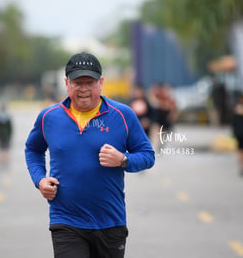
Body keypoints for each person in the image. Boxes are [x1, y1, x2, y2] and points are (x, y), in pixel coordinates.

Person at [25, 52, 155, 258]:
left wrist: (123, 160)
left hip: (110, 222)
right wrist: (40, 179)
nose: (84, 89)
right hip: (66, 221)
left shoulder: (122, 115)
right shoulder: (48, 117)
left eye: (90, 82)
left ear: (101, 82)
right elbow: (33, 149)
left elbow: (148, 156)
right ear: (66, 83)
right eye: (78, 82)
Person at [0, 100, 13, 166]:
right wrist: (10, 135)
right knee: (6, 148)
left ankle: (1, 160)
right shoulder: (8, 117)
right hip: (7, 135)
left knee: (1, 148)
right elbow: (11, 128)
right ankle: (6, 160)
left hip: (0, 135)